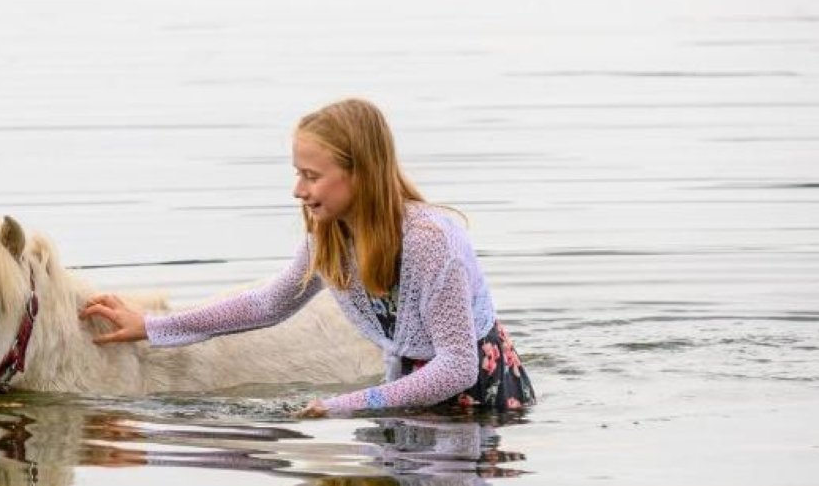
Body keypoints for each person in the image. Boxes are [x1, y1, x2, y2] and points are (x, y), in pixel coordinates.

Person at [80, 99, 537, 417]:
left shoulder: (432, 241)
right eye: (298, 174)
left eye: (311, 176)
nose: (298, 190)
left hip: (479, 410)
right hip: (403, 397)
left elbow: (457, 366)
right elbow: (267, 305)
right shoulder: (329, 237)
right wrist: (152, 327)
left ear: (360, 174)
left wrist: (347, 404)